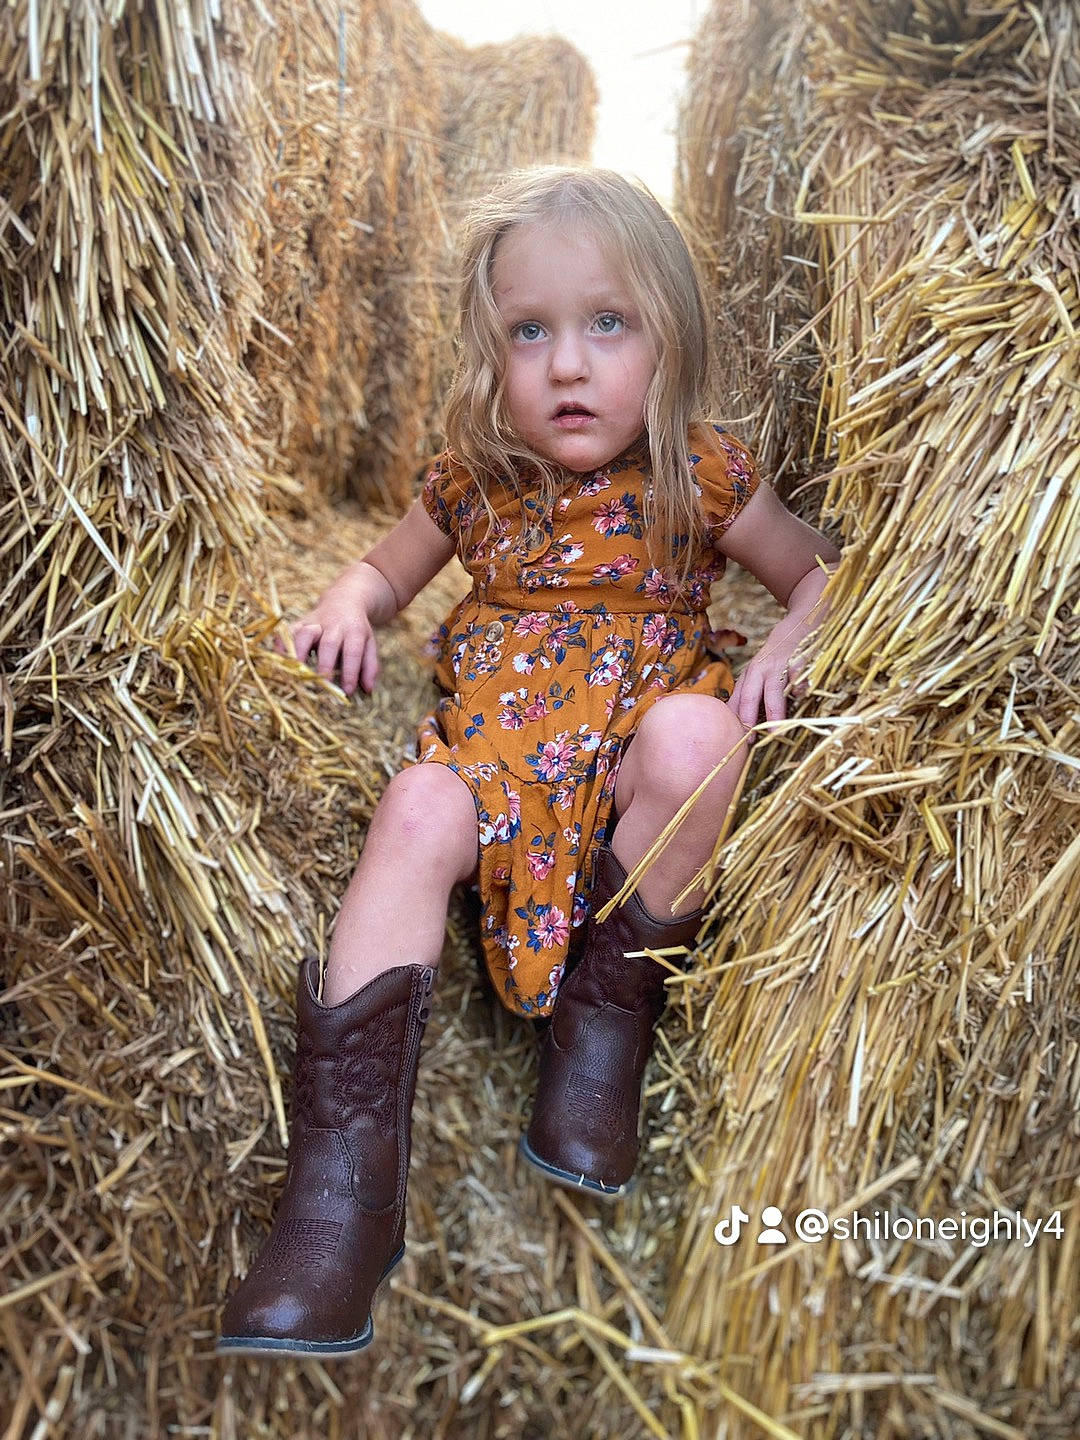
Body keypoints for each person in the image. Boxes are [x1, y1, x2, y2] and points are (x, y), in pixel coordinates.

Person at [216, 166, 842, 1359]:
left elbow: (813, 572)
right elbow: (381, 574)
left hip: (625, 763)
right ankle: (342, 1191)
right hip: (497, 763)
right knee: (409, 814)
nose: (567, 363)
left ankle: (605, 1024)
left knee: (702, 739)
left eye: (608, 323)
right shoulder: (476, 485)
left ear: (671, 339)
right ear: (489, 352)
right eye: (530, 331)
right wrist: (345, 609)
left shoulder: (702, 475)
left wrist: (803, 629)